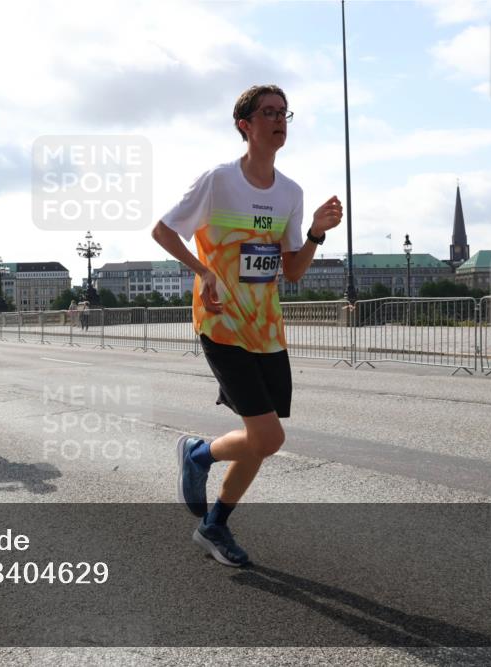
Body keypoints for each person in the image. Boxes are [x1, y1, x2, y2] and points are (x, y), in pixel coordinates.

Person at [151, 84, 342, 566]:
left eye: (284, 113)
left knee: (261, 438)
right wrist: (203, 271)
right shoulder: (218, 181)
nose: (279, 120)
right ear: (245, 125)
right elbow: (163, 229)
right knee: (269, 437)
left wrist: (316, 232)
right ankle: (198, 456)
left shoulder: (290, 193)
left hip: (268, 331)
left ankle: (214, 524)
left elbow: (292, 271)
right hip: (221, 324)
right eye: (268, 112)